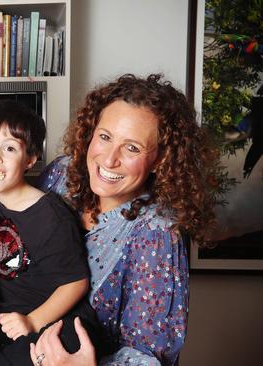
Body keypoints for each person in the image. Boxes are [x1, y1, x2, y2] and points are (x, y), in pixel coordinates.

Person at [31, 74, 219, 366]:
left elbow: (151, 357)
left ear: (160, 160)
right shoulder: (60, 176)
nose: (109, 160)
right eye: (105, 137)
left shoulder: (157, 232)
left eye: (132, 148)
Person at [0, 100, 105, 365]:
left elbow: (75, 283)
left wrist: (33, 321)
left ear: (30, 159)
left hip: (54, 318)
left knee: (67, 339)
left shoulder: (50, 215)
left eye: (9, 148)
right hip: (7, 317)